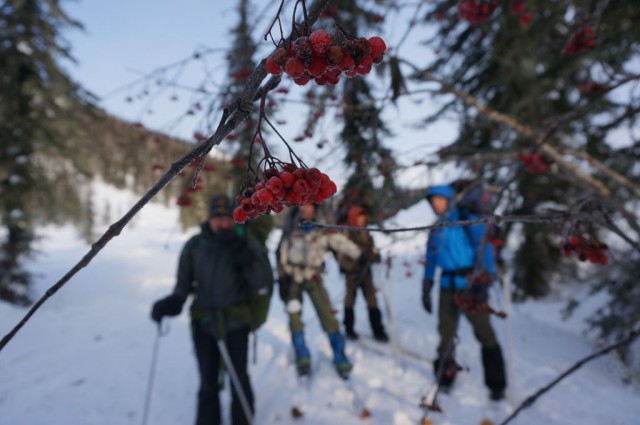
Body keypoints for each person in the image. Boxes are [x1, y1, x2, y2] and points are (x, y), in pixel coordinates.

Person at [150, 194, 273, 425]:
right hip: (204, 324)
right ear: (209, 218)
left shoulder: (245, 242)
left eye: (227, 217)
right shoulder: (195, 246)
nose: (222, 222)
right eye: (217, 217)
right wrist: (171, 303)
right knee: (208, 383)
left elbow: (261, 283)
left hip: (236, 324)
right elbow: (182, 286)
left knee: (239, 379)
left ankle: (242, 420)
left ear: (234, 217)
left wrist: (241, 253)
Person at [422, 184, 507, 401]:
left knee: (484, 332)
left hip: (471, 284)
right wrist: (427, 283)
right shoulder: (436, 228)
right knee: (446, 332)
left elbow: (484, 249)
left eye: (439, 200)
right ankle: (444, 377)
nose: (435, 204)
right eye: (433, 201)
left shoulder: (468, 221)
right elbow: (431, 257)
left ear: (449, 199)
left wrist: (484, 282)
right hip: (447, 286)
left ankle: (496, 383)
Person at [277, 204, 362, 378]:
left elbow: (340, 242)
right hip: (294, 279)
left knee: (328, 316)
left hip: (314, 277)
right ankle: (302, 356)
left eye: (308, 205)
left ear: (315, 208)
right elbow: (282, 251)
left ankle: (340, 357)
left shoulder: (323, 229)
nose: (304, 209)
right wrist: (283, 275)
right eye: (301, 205)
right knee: (294, 319)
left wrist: (361, 254)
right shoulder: (291, 227)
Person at [336, 205, 389, 342]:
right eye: (359, 217)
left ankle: (378, 330)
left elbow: (372, 250)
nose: (362, 220)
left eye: (364, 217)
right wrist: (357, 261)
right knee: (350, 301)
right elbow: (342, 258)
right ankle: (349, 328)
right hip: (352, 274)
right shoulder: (346, 235)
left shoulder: (366, 233)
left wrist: (375, 256)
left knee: (372, 300)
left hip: (366, 273)